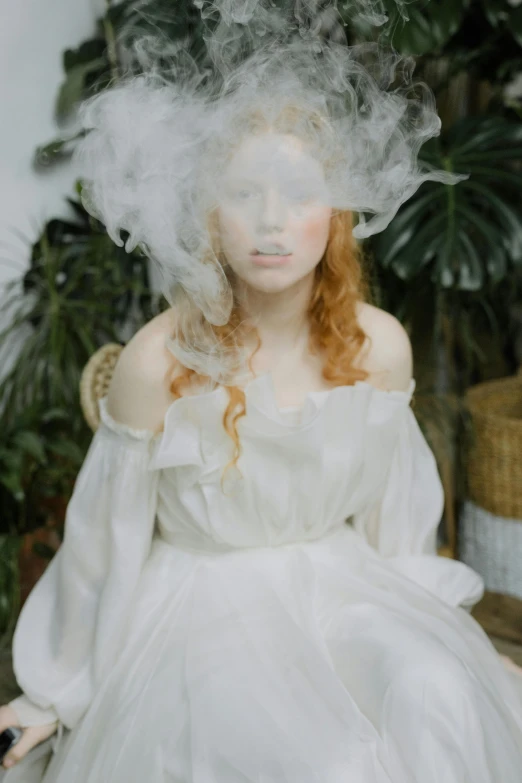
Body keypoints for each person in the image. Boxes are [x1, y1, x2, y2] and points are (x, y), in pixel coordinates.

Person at [2, 1, 522, 780]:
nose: (271, 222)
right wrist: (50, 692)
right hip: (201, 608)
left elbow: (397, 527)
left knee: (434, 691)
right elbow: (98, 549)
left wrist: (442, 641)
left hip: (344, 587)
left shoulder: (378, 346)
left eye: (300, 193)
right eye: (244, 193)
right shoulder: (157, 361)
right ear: (207, 210)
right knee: (320, 757)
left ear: (337, 214)